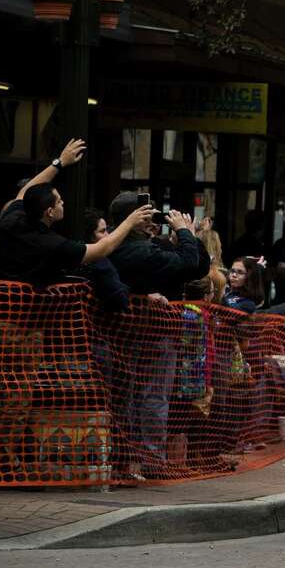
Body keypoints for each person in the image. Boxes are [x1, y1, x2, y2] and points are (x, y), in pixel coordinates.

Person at [106, 193, 211, 472]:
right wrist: (184, 233)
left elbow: (198, 266)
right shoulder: (137, 251)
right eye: (148, 216)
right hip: (149, 335)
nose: (154, 223)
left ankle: (125, 461)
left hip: (129, 334)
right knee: (148, 399)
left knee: (129, 398)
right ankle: (150, 462)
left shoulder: (126, 246)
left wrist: (189, 237)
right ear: (135, 218)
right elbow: (189, 263)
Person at [0, 139, 155, 287]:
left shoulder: (12, 217)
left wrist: (59, 162)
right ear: (49, 212)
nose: (63, 203)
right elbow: (101, 249)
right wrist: (130, 221)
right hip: (27, 314)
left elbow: (26, 191)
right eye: (59, 201)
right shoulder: (50, 243)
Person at [74, 208, 130, 311]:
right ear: (90, 236)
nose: (107, 235)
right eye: (102, 231)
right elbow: (119, 300)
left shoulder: (72, 255)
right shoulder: (100, 263)